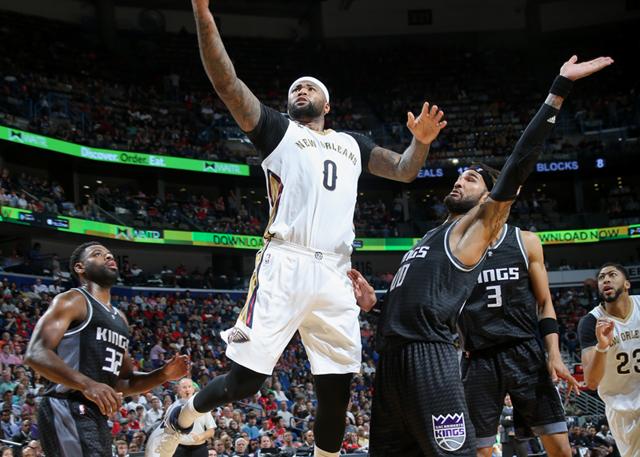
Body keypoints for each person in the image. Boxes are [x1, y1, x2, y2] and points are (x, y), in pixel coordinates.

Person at [150, 2, 448, 457]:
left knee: (337, 389)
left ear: (327, 104)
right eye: (295, 87)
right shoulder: (277, 131)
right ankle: (183, 415)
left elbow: (406, 170)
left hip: (336, 273)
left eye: (311, 87)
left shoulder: (352, 144)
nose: (301, 89)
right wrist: (203, 12)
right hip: (285, 261)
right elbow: (227, 83)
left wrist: (420, 142)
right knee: (245, 382)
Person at [349, 55, 613, 457]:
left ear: (491, 198)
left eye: (470, 179)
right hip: (393, 360)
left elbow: (517, 165)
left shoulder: (477, 230)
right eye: (458, 177)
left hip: (435, 357)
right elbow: (420, 307)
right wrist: (373, 305)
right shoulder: (429, 237)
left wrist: (558, 89)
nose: (459, 181)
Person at [24, 241, 190, 457]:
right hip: (66, 405)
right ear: (80, 268)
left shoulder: (120, 319)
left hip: (96, 414)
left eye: (110, 255)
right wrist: (88, 384)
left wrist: (162, 374)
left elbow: (124, 382)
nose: (109, 257)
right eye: (98, 254)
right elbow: (35, 353)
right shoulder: (72, 300)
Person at [457, 215, 580, 455]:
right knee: (478, 450)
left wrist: (554, 354)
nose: (460, 184)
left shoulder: (525, 241)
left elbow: (545, 303)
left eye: (471, 179)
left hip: (524, 350)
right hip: (479, 356)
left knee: (560, 446)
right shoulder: (456, 249)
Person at [578, 263, 640, 457]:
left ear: (627, 284)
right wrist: (602, 347)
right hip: (622, 410)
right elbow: (591, 381)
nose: (606, 279)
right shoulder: (590, 322)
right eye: (601, 277)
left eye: (612, 275)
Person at [147, 378, 216, 457]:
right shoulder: (172, 407)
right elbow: (165, 429)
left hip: (199, 448)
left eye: (189, 387)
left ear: (193, 389)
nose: (187, 389)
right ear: (179, 390)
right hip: (179, 448)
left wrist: (200, 437)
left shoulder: (202, 406)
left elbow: (211, 431)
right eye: (184, 387)